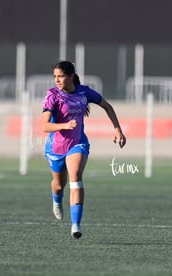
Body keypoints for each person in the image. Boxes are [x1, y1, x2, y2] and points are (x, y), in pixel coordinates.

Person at [42, 61, 126, 239]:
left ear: (71, 76)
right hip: (56, 147)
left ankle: (76, 225)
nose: (57, 80)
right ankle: (57, 200)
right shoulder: (52, 95)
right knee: (58, 185)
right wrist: (65, 125)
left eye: (61, 76)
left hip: (77, 143)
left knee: (76, 176)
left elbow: (107, 106)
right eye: (55, 77)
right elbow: (44, 126)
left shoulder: (84, 92)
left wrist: (117, 129)